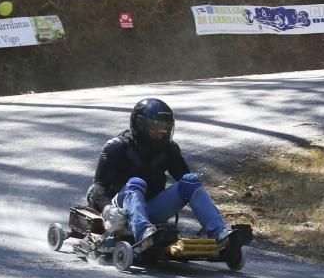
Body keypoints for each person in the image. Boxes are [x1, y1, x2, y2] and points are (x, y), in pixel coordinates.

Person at [87, 98, 235, 247]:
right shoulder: (117, 148)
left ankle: (221, 233)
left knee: (190, 181)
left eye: (165, 128)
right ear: (140, 124)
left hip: (152, 210)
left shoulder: (169, 149)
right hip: (120, 212)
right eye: (155, 128)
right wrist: (107, 209)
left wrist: (209, 210)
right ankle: (144, 235)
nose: (161, 133)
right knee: (136, 182)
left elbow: (187, 185)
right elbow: (99, 186)